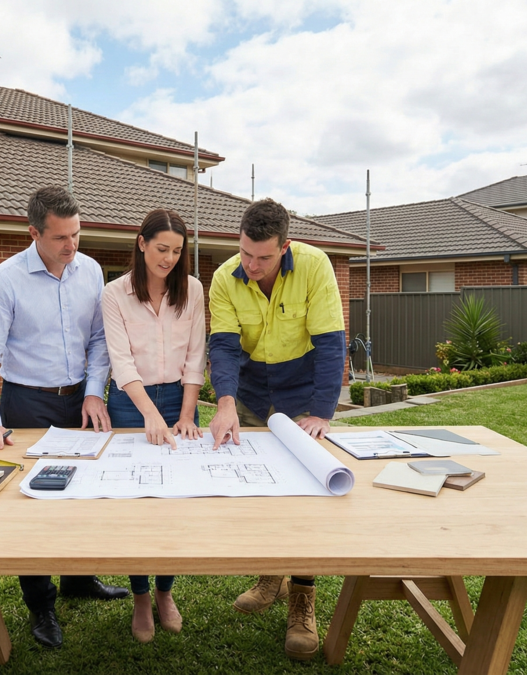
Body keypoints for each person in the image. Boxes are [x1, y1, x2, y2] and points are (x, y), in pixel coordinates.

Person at [0, 186, 128, 649]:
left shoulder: (92, 271)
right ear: (34, 232)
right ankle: (41, 604)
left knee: (83, 493)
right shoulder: (5, 279)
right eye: (60, 237)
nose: (71, 245)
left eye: (77, 233)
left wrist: (95, 392)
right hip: (26, 402)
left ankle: (80, 579)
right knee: (31, 505)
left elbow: (100, 341)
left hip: (80, 398)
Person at [206, 198, 346, 661]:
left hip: (301, 390)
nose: (253, 265)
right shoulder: (226, 277)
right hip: (248, 390)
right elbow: (224, 347)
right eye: (246, 253)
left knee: (304, 495)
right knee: (259, 491)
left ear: (284, 247)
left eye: (264, 257)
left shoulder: (315, 266)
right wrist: (225, 403)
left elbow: (330, 345)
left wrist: (322, 412)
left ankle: (302, 595)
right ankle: (271, 575)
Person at [101, 208, 206, 642]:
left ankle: (165, 591)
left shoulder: (194, 289)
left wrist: (184, 415)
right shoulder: (115, 293)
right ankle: (140, 594)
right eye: (162, 248)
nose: (169, 258)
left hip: (180, 400)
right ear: (141, 243)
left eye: (178, 251)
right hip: (131, 402)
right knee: (137, 503)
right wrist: (148, 413)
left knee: (174, 503)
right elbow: (120, 359)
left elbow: (196, 354)